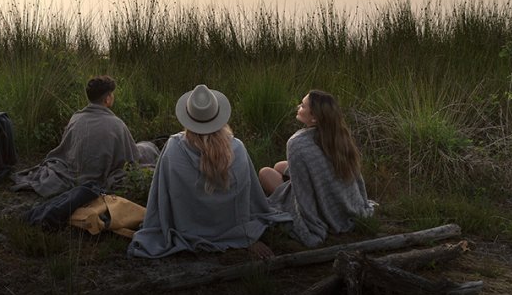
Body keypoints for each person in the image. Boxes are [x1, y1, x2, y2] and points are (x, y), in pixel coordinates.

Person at [128, 84, 288, 258]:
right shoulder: (237, 148)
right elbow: (248, 196)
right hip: (232, 228)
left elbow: (160, 193)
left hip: (186, 227)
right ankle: (237, 236)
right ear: (218, 116)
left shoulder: (173, 148)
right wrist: (247, 234)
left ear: (188, 117)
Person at [259, 90, 375, 247]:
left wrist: (301, 212)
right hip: (338, 194)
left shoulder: (297, 143)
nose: (298, 107)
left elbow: (302, 191)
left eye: (303, 106)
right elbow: (354, 178)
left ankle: (281, 194)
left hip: (319, 203)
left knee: (265, 173)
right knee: (279, 166)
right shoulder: (339, 134)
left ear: (314, 117)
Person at [12, 75, 152, 197]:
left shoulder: (76, 118)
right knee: (147, 147)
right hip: (98, 176)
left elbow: (66, 149)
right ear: (108, 99)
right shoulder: (117, 124)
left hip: (76, 170)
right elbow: (131, 158)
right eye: (112, 94)